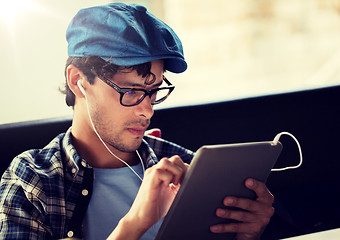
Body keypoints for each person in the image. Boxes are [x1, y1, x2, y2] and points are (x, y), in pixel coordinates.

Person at [0, 3, 274, 240]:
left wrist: (246, 236)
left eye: (153, 92)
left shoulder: (185, 165)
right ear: (78, 81)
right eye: (130, 91)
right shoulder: (33, 181)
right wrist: (134, 224)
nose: (147, 111)